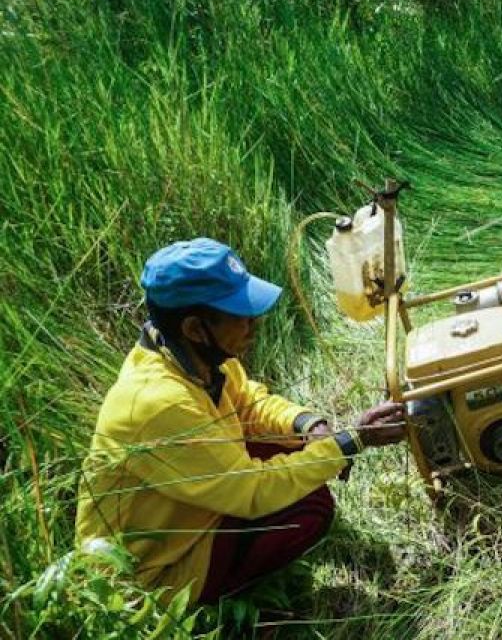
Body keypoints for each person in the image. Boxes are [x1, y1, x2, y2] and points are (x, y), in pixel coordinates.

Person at [75, 238, 408, 605]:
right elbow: (252, 492)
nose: (254, 322)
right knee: (312, 507)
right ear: (195, 328)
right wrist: (351, 442)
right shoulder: (156, 403)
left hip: (187, 515)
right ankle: (220, 610)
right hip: (146, 577)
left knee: (296, 447)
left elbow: (248, 405)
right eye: (240, 314)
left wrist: (308, 425)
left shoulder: (197, 358)